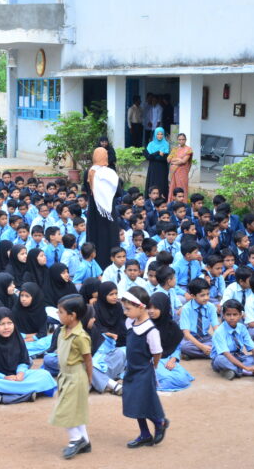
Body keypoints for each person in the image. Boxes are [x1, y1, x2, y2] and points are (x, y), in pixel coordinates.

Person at [120, 288, 169, 448]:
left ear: (141, 307)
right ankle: (145, 434)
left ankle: (159, 422)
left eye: (128, 309)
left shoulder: (150, 330)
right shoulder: (131, 323)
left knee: (142, 402)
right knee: (134, 402)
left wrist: (153, 366)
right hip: (131, 370)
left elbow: (157, 352)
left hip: (143, 371)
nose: (125, 312)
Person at [49, 295, 93, 459]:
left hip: (76, 377)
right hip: (65, 375)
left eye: (60, 312)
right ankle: (85, 442)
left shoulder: (81, 337)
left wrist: (89, 379)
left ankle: (76, 439)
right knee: (76, 412)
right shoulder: (61, 330)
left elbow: (88, 359)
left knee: (63, 411)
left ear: (72, 315)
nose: (57, 314)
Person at [211, 299, 254, 380]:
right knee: (220, 360)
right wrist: (246, 368)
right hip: (225, 357)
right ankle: (248, 372)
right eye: (228, 315)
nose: (232, 317)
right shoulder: (219, 332)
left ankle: (234, 371)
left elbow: (253, 348)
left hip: (240, 356)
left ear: (240, 315)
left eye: (235, 314)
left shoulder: (242, 328)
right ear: (223, 315)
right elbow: (226, 354)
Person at [83, 147, 121, 269]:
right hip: (108, 211)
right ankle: (110, 265)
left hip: (94, 210)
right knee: (109, 237)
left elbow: (87, 189)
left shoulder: (88, 172)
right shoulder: (108, 173)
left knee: (95, 236)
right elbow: (118, 192)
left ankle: (95, 265)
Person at [144, 128, 169, 200]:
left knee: (162, 183)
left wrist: (154, 156)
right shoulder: (151, 144)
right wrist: (158, 153)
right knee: (152, 182)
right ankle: (151, 198)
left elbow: (165, 158)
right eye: (158, 134)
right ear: (155, 135)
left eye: (161, 134)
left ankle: (162, 199)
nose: (160, 136)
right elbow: (148, 157)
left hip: (162, 168)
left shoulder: (166, 144)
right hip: (153, 167)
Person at [167, 133, 192, 202]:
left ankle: (183, 204)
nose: (181, 141)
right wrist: (178, 159)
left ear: (185, 140)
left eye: (183, 139)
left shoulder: (188, 149)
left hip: (182, 173)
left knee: (182, 187)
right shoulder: (175, 149)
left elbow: (184, 161)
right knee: (172, 187)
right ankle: (172, 203)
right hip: (174, 173)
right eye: (179, 139)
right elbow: (168, 159)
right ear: (177, 140)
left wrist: (174, 160)